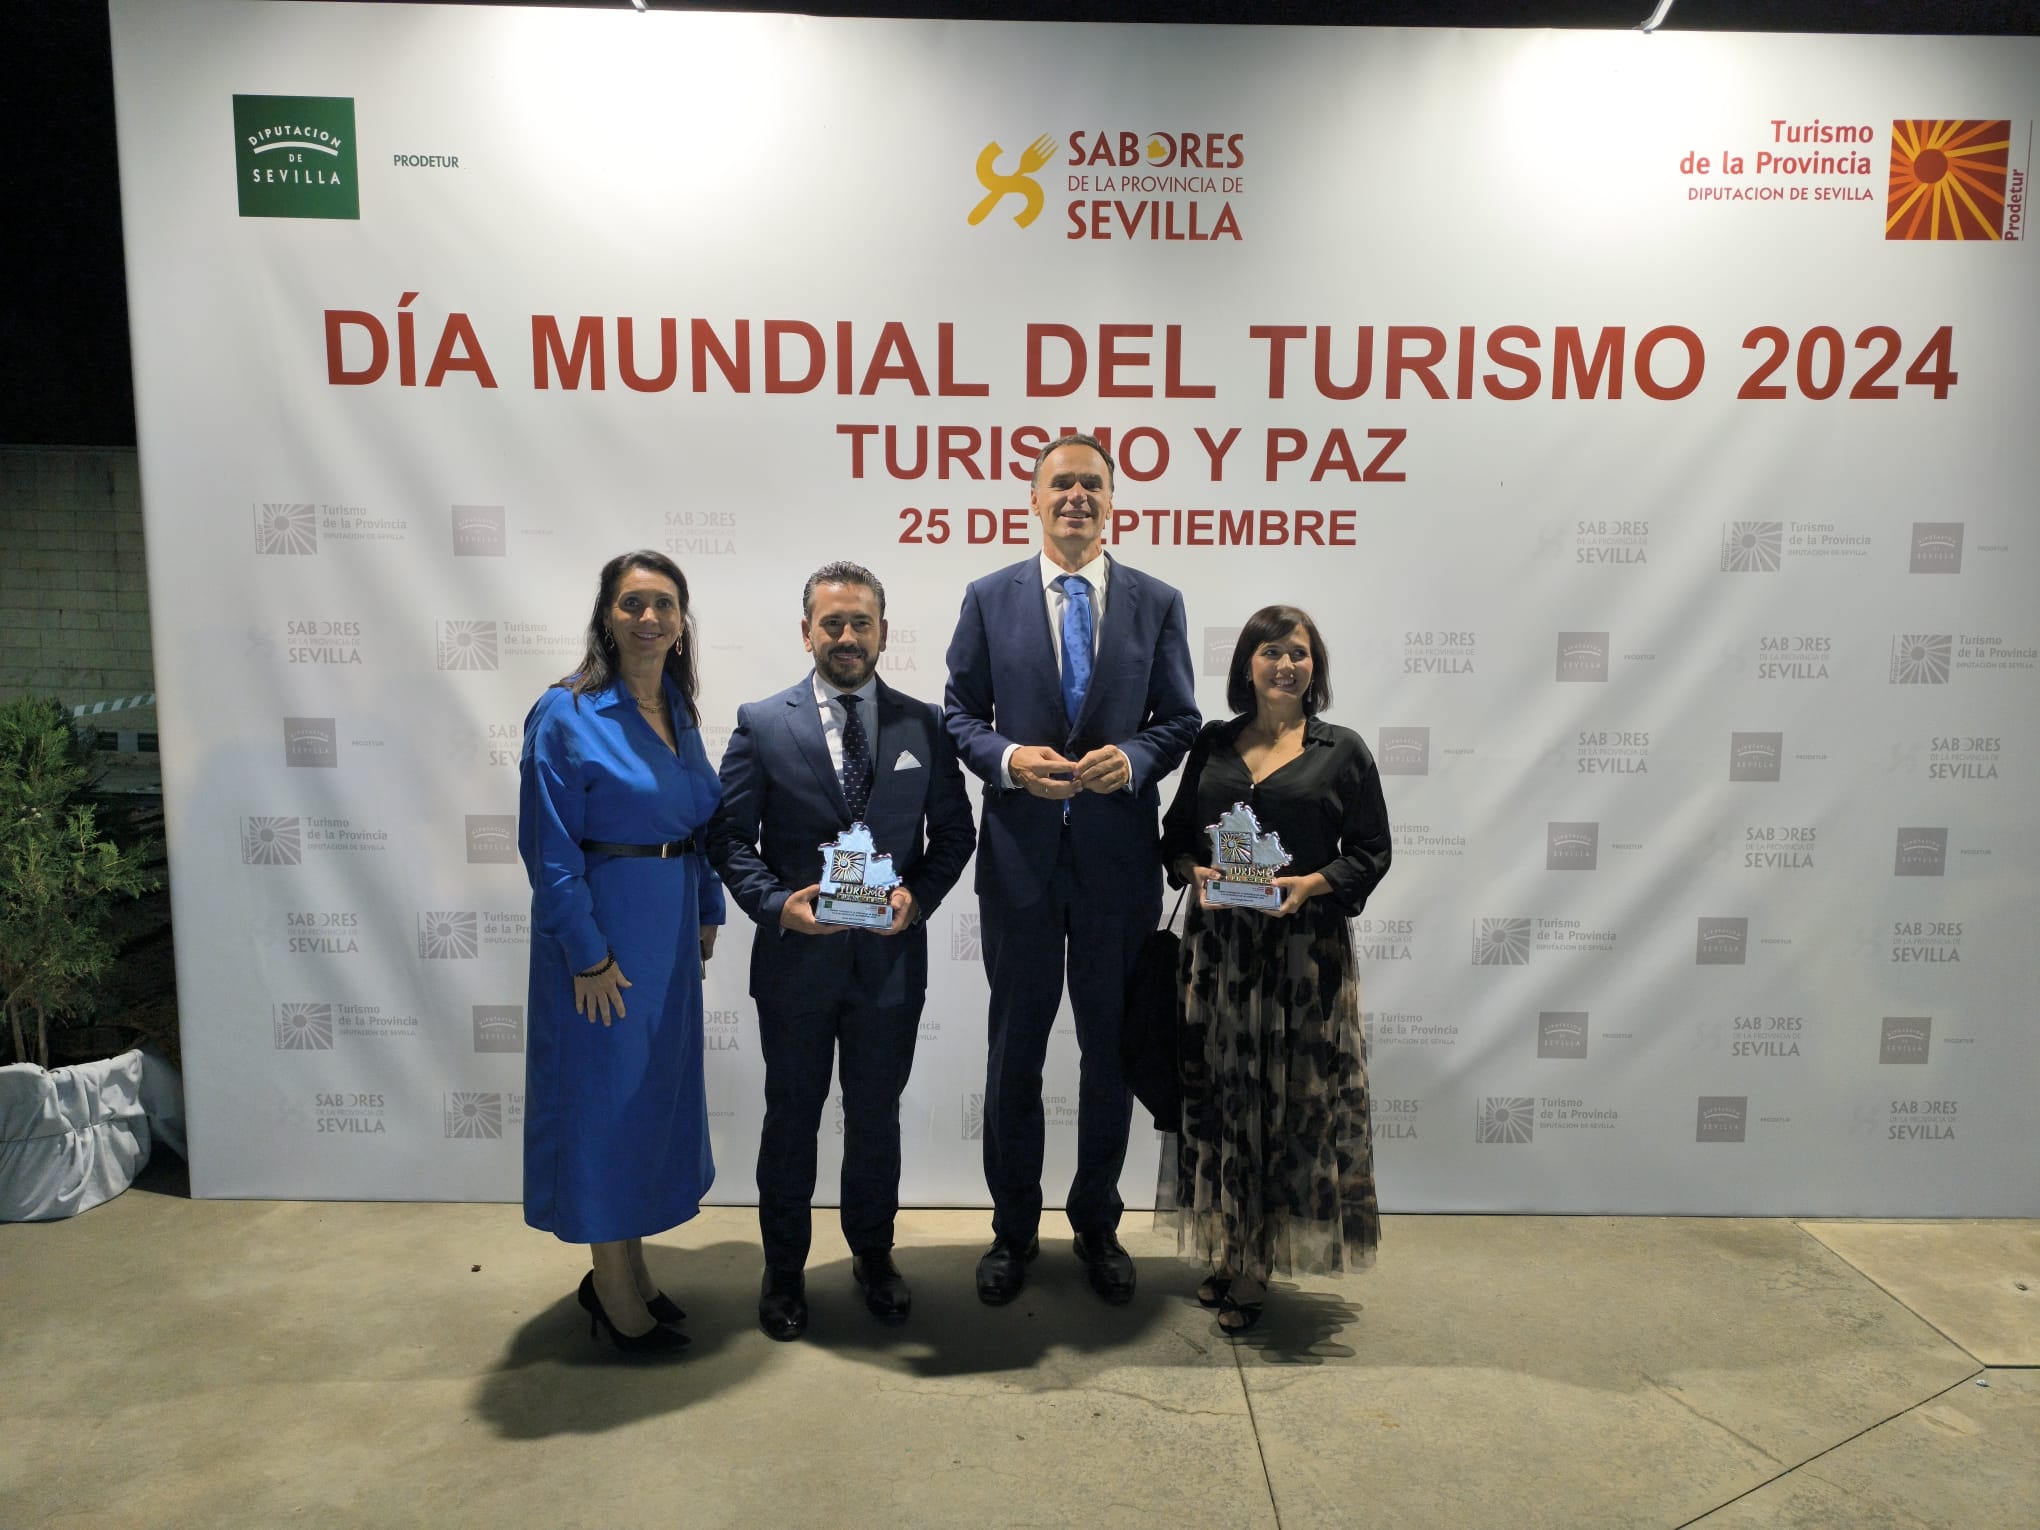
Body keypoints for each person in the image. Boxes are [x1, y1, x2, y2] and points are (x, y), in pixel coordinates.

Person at [943, 433, 1200, 1306]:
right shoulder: (989, 598)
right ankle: (1013, 1230)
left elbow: (1180, 719)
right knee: (1014, 1053)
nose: (1077, 497)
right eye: (1062, 484)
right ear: (1034, 499)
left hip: (1117, 867)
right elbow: (959, 714)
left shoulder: (1157, 602)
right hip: (1019, 865)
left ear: (1113, 499)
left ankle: (1097, 1223)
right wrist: (1010, 760)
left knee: (1108, 1054)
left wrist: (1134, 759)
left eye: (1092, 483)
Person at [708, 562, 975, 1341]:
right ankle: (783, 1270)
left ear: (884, 632)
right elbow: (729, 837)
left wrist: (916, 898)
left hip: (889, 967)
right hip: (795, 967)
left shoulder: (924, 725)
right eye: (833, 623)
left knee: (875, 1118)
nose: (848, 636)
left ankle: (873, 1255)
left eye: (862, 622)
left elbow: (954, 833)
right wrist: (776, 906)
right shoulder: (762, 723)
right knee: (790, 1118)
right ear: (807, 633)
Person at [1156, 605, 1391, 1333]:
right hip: (1219, 957)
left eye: (1299, 653)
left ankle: (1256, 1263)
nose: (1285, 665)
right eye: (1270, 652)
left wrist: (1309, 885)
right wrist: (1194, 872)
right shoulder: (1212, 743)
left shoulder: (1342, 751)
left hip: (1302, 963)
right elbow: (1175, 839)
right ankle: (1230, 1248)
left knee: (1289, 1109)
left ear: (1314, 667)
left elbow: (1371, 852)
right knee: (1224, 1105)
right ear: (1247, 665)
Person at [518, 549, 724, 1357]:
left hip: (668, 933)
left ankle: (631, 1267)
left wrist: (706, 909)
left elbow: (697, 821)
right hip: (604, 939)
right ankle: (610, 1290)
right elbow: (550, 852)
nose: (649, 618)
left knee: (644, 1102)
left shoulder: (677, 704)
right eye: (633, 603)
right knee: (603, 1105)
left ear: (681, 622)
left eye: (664, 604)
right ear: (606, 615)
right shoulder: (564, 712)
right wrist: (586, 955)